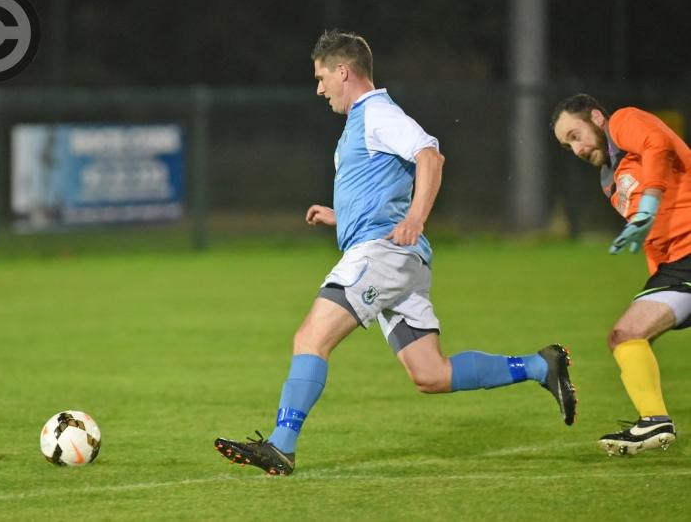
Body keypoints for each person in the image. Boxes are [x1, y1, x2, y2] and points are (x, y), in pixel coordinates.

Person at [214, 30, 576, 476]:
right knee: (431, 374)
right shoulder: (362, 121)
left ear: (342, 71)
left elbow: (430, 156)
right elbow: (383, 187)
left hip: (382, 256)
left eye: (321, 78)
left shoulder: (377, 113)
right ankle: (540, 366)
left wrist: (417, 218)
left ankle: (281, 445)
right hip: (397, 258)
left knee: (311, 339)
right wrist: (341, 216)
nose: (319, 89)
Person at [551, 93, 689, 456]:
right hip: (678, 265)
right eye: (567, 146)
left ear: (597, 118)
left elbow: (657, 143)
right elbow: (654, 240)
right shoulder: (609, 179)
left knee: (626, 334)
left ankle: (654, 420)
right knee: (628, 336)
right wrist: (656, 279)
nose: (577, 149)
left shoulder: (623, 122)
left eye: (576, 135)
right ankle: (653, 419)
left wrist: (649, 203)